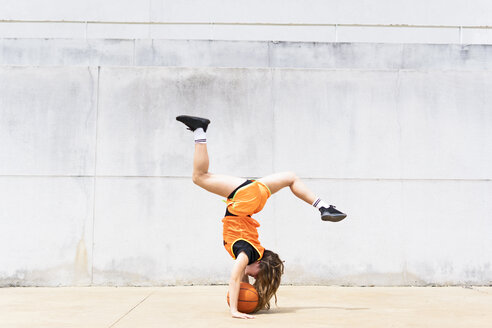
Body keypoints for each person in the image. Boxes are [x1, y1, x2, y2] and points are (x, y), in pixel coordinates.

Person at [176, 115, 347, 319]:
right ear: (260, 264)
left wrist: (251, 302)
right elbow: (233, 279)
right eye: (256, 275)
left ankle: (323, 207)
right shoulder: (246, 254)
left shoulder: (255, 250)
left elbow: (241, 281)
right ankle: (199, 130)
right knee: (199, 177)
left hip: (253, 200)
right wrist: (235, 310)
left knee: (291, 177)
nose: (250, 275)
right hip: (245, 199)